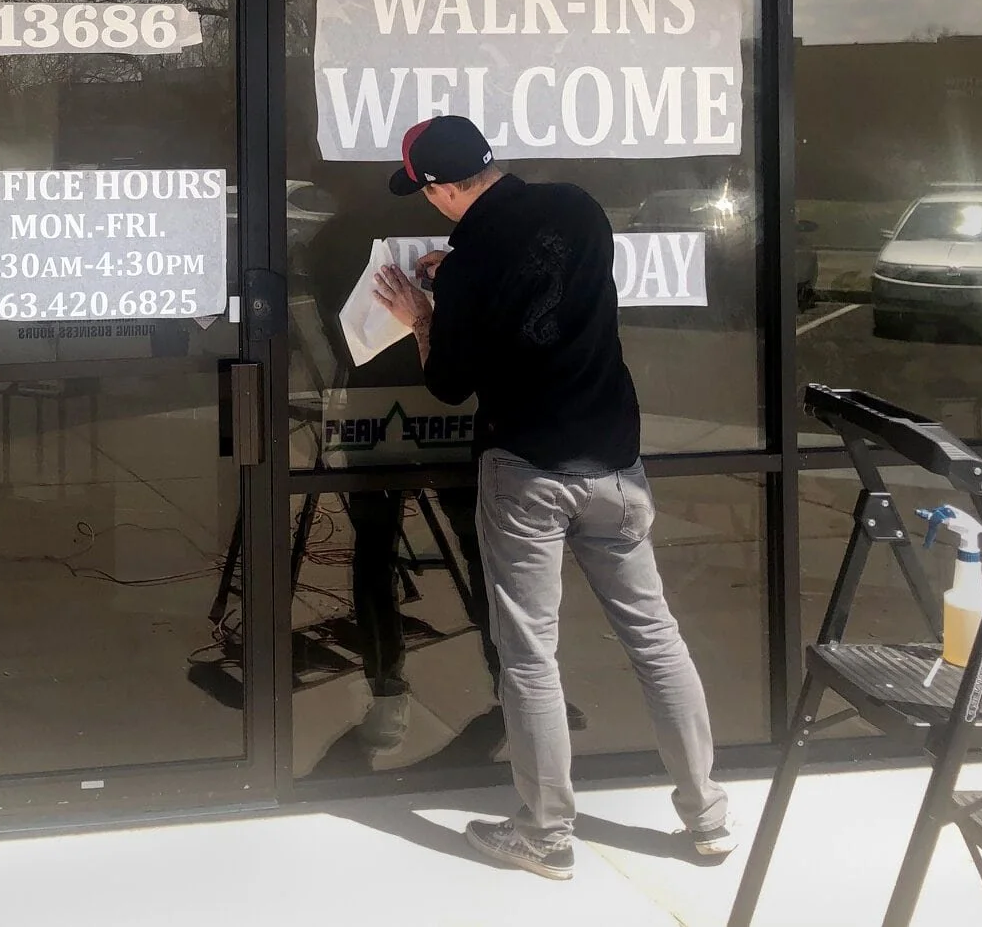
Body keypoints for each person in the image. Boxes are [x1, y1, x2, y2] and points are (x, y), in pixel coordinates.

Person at [370, 114, 734, 882]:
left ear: (439, 188)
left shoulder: (467, 269)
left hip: (528, 472)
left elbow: (449, 381)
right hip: (615, 466)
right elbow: (540, 279)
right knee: (655, 640)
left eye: (424, 190)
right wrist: (458, 273)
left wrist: (423, 317)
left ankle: (545, 835)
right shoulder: (578, 206)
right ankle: (707, 819)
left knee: (531, 659)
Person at [301, 161, 499, 753]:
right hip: (422, 401)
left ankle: (390, 689)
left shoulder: (331, 239)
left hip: (401, 399)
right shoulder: (416, 232)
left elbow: (335, 334)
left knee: (381, 549)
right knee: (473, 547)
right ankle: (506, 680)